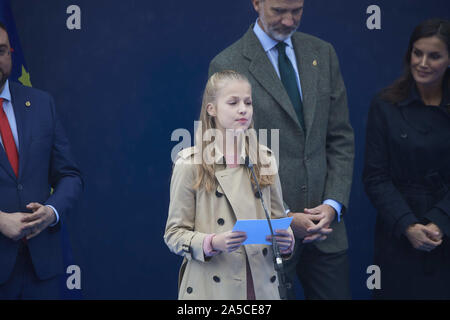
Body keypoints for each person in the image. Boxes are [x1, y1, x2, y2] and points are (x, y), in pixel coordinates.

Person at [208, 0, 354, 299]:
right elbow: (230, 159)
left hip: (326, 232)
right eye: (278, 11)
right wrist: (284, 218)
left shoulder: (323, 53)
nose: (288, 21)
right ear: (257, 3)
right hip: (266, 236)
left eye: (297, 10)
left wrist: (334, 203)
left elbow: (339, 137)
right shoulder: (227, 64)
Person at [164, 70, 295, 300]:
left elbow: (277, 220)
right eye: (233, 102)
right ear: (211, 109)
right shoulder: (190, 163)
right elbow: (174, 234)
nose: (243, 109)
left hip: (261, 286)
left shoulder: (265, 159)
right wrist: (211, 242)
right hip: (212, 289)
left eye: (248, 102)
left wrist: (287, 242)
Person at [363, 18, 450, 299]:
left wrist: (441, 222)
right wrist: (407, 225)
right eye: (417, 53)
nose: (423, 63)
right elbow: (375, 177)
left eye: (434, 56)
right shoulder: (385, 104)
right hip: (399, 235)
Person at [0, 22, 83, 299]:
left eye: (1, 51)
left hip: (41, 270)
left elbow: (69, 175)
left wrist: (51, 212)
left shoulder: (40, 103)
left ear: (10, 54)